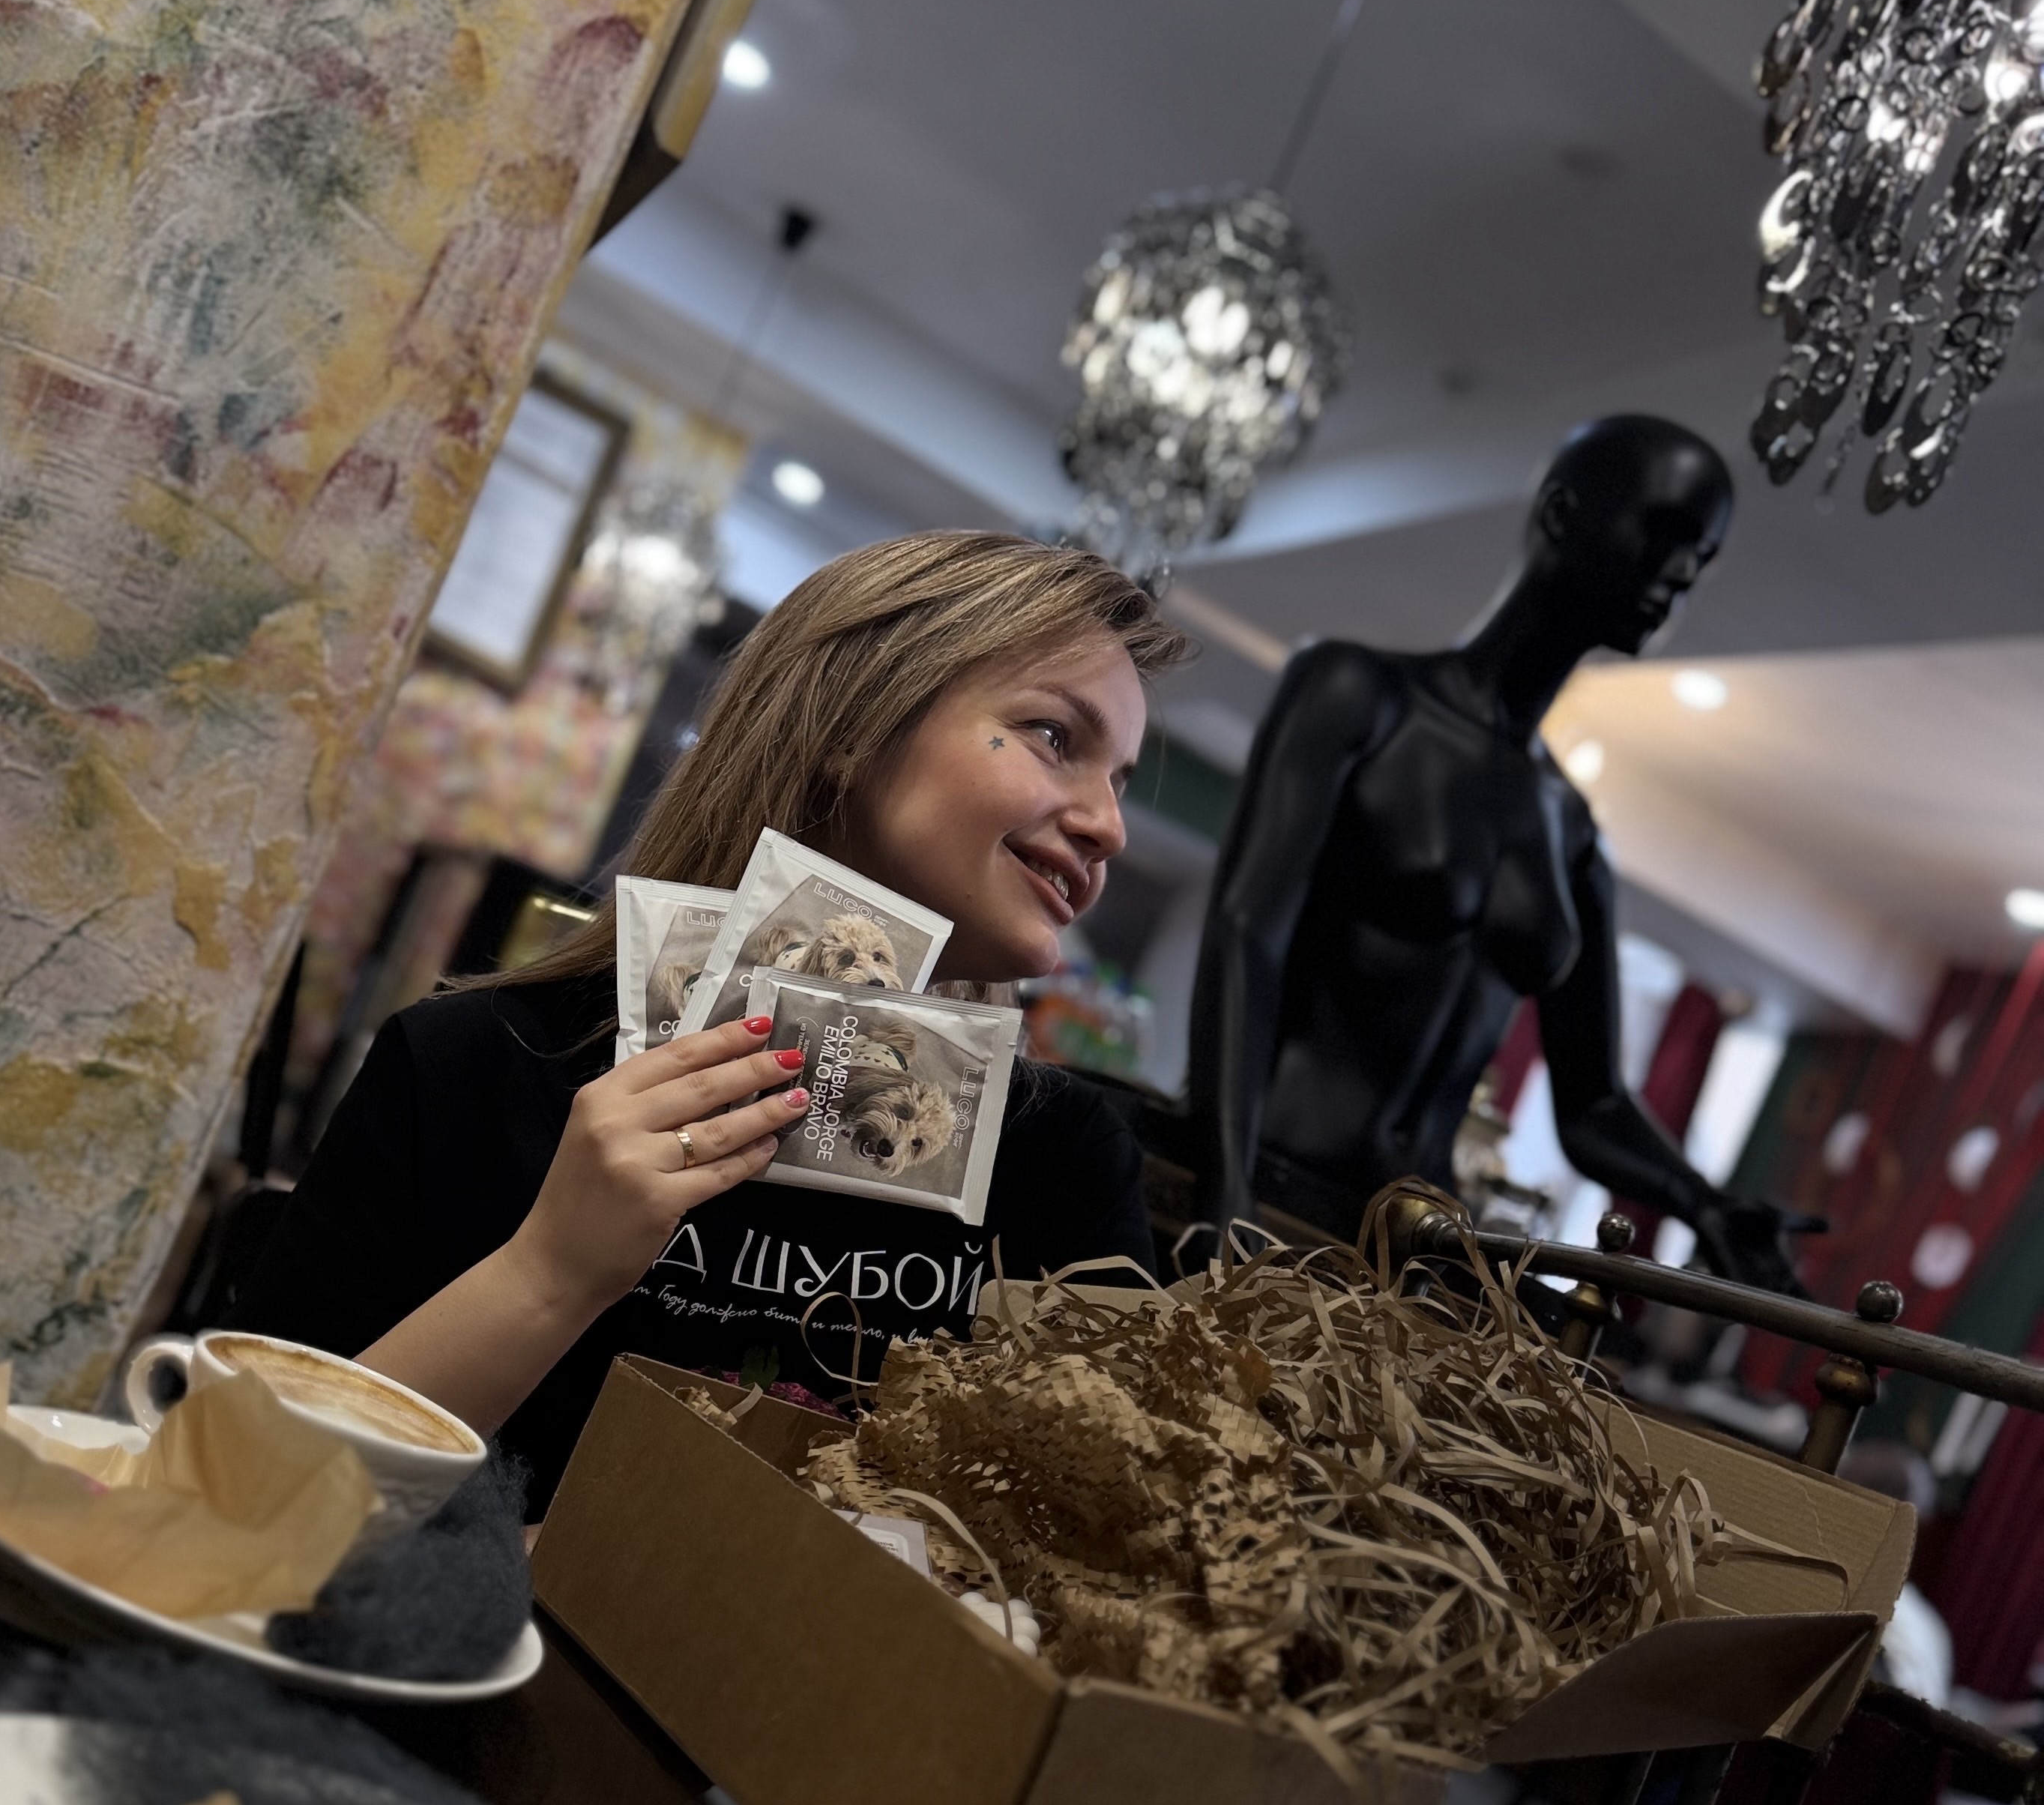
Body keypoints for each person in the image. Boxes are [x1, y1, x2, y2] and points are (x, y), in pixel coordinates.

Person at [232, 532, 1187, 1509]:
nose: (1108, 827)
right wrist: (550, 1271)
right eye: (1054, 737)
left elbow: (1103, 1559)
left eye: (1118, 781)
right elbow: (235, 1499)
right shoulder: (472, 1064)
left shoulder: (1064, 1168)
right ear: (853, 727)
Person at [1187, 415, 1807, 1292]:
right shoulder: (1356, 694)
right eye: (1666, 533)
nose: (1680, 573)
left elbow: (1592, 1103)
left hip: (1413, 1249)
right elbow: (1247, 935)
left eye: (1700, 558)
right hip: (1265, 1187)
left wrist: (1706, 1204)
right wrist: (1224, 1190)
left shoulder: (1573, 831)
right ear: (1560, 514)